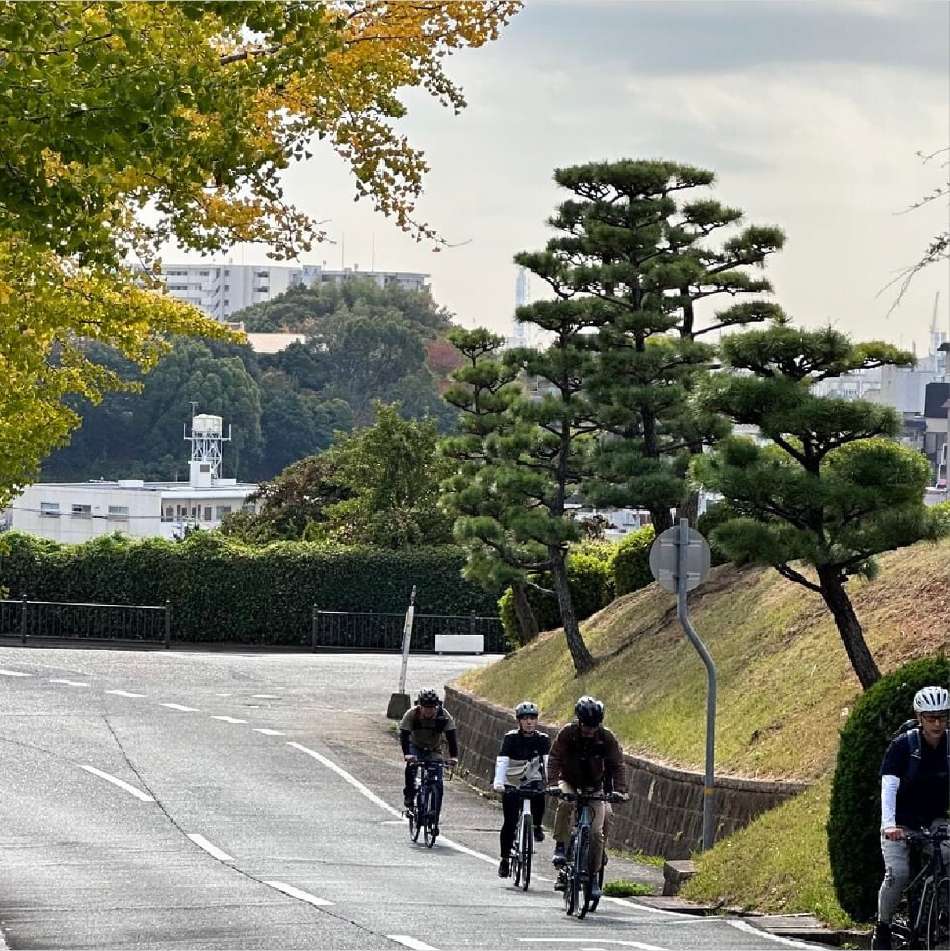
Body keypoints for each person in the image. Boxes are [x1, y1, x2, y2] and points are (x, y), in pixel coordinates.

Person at [872, 685, 950, 950]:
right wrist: (889, 825)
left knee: (948, 858)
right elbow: (889, 786)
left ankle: (940, 916)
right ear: (920, 718)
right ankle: (882, 926)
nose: (937, 723)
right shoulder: (903, 746)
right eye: (930, 717)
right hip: (901, 822)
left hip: (935, 820)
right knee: (898, 874)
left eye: (942, 716)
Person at [547, 695, 629, 900]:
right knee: (565, 803)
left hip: (595, 787)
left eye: (593, 727)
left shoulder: (606, 737)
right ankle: (560, 846)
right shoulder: (568, 733)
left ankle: (593, 875)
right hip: (570, 782)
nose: (589, 731)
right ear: (579, 722)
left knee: (596, 832)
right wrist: (551, 784)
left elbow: (617, 764)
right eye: (585, 726)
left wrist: (620, 790)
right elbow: (555, 758)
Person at [493, 700, 551, 878]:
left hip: (531, 778)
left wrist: (552, 783)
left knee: (540, 795)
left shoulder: (543, 739)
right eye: (525, 718)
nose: (529, 722)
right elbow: (502, 761)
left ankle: (536, 825)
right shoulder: (511, 738)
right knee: (510, 822)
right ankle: (504, 859)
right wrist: (499, 783)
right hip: (512, 780)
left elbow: (547, 762)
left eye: (532, 718)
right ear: (518, 721)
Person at [399, 688, 459, 833]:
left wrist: (453, 757)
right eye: (426, 707)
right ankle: (409, 795)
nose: (429, 711)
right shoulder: (412, 714)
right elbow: (404, 735)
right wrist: (407, 754)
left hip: (434, 749)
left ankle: (434, 820)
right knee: (411, 768)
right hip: (415, 746)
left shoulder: (443, 716)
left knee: (438, 784)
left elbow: (451, 736)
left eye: (432, 707)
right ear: (420, 705)